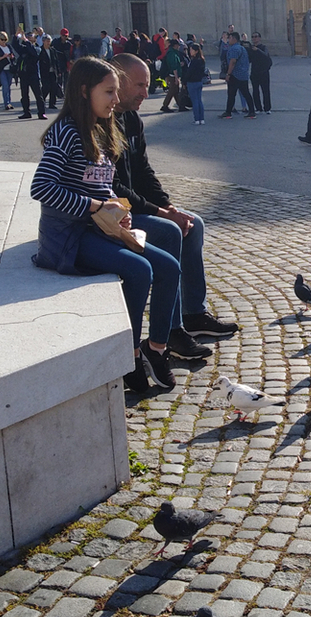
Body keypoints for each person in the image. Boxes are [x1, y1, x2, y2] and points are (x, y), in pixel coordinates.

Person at [30, 56, 182, 393]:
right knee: (140, 270)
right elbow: (41, 187)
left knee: (169, 266)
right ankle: (126, 355)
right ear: (85, 91)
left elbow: (102, 184)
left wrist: (120, 209)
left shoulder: (103, 128)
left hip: (102, 228)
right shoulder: (66, 132)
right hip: (70, 236)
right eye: (109, 91)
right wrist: (98, 205)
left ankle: (156, 350)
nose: (116, 99)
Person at [111, 54, 239, 359]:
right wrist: (162, 214)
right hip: (113, 215)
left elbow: (143, 173)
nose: (147, 91)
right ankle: (172, 331)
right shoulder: (103, 123)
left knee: (193, 225)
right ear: (119, 81)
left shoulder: (131, 119)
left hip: (134, 207)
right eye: (140, 85)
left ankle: (194, 313)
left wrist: (169, 206)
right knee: (169, 231)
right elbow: (115, 187)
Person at [220, 29, 255, 119]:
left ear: (234, 39)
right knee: (246, 93)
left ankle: (228, 112)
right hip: (243, 74)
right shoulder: (241, 48)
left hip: (235, 75)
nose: (228, 40)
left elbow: (233, 62)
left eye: (229, 38)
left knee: (231, 94)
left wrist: (228, 74)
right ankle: (252, 111)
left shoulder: (234, 49)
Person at [17, 31, 47, 120]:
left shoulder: (38, 48)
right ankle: (26, 112)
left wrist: (26, 41)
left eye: (31, 36)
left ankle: (41, 113)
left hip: (34, 75)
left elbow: (33, 52)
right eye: (27, 36)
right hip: (24, 75)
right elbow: (15, 46)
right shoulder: (24, 48)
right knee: (24, 95)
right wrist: (16, 36)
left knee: (38, 95)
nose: (29, 37)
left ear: (35, 39)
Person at [159, 36, 186, 112]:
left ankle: (180, 105)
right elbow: (173, 66)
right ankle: (165, 106)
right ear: (175, 45)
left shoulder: (172, 52)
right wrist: (177, 78)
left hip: (172, 74)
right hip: (173, 75)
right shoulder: (172, 54)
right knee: (172, 91)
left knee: (176, 91)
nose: (179, 46)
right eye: (178, 45)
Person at [0, 31, 16, 109]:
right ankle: (6, 103)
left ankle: (9, 102)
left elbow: (13, 56)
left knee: (8, 86)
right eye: (2, 39)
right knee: (5, 85)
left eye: (5, 39)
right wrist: (3, 57)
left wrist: (11, 56)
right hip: (1, 69)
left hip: (9, 69)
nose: (4, 41)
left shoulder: (8, 46)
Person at [184, 41, 207, 125]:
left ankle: (196, 118)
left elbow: (189, 72)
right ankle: (202, 118)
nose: (190, 51)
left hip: (192, 82)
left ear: (196, 51)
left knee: (195, 101)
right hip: (199, 81)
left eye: (192, 50)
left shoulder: (194, 61)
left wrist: (184, 81)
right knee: (199, 100)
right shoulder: (202, 60)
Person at [249, 33, 272, 113]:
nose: (254, 38)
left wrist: (257, 50)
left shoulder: (263, 47)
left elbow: (266, 55)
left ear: (259, 38)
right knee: (255, 91)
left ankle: (267, 108)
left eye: (256, 37)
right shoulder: (251, 48)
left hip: (263, 72)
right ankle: (258, 108)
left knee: (265, 91)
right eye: (253, 37)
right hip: (254, 72)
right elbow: (249, 59)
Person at [41, 34, 60, 110]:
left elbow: (56, 61)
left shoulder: (52, 50)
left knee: (53, 87)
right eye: (47, 41)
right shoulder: (40, 50)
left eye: (49, 41)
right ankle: (42, 101)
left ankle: (52, 103)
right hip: (45, 72)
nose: (48, 42)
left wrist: (58, 71)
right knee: (46, 87)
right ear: (43, 41)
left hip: (53, 71)